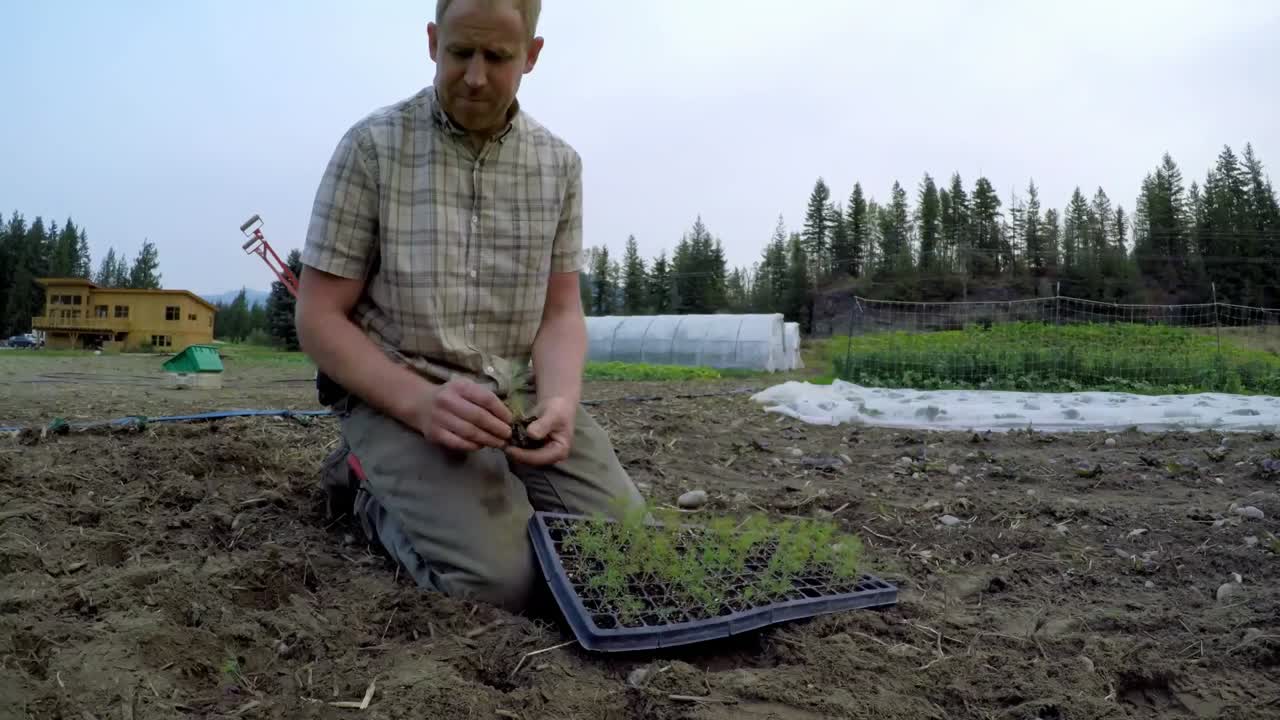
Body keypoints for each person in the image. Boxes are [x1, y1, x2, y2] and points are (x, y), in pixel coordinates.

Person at [295, 0, 645, 613]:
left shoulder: (559, 166)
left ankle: (483, 493)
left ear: (531, 56)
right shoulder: (373, 149)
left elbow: (561, 313)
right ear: (433, 42)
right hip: (399, 396)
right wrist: (421, 403)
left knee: (632, 552)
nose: (476, 77)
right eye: (460, 52)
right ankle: (363, 485)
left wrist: (561, 401)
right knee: (502, 585)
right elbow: (318, 317)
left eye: (498, 57)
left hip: (512, 398)